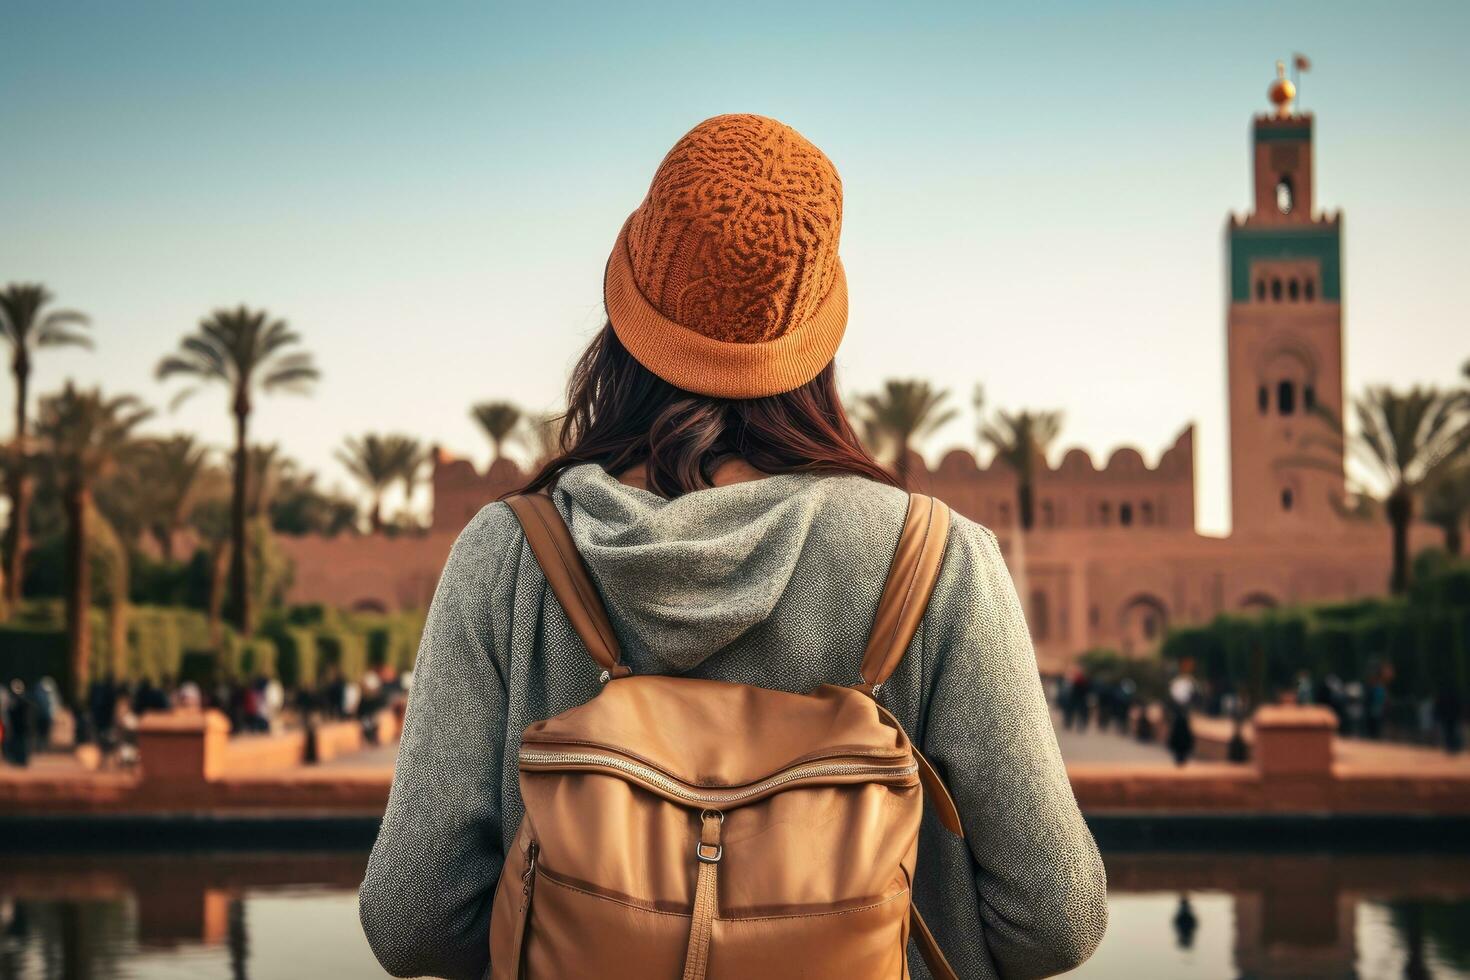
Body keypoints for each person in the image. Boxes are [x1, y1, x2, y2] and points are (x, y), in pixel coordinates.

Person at [358, 113, 1107, 980]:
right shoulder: (936, 564)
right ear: (815, 344)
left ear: (625, 322)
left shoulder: (510, 556)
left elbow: (413, 920)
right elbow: (1055, 919)